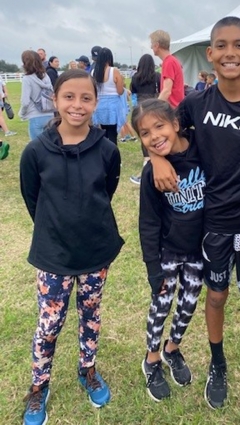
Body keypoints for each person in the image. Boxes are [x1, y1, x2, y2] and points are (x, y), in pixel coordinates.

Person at [151, 16, 240, 417]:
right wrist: (156, 156)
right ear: (210, 54)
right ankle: (218, 364)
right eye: (222, 46)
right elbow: (155, 126)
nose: (230, 53)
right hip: (211, 225)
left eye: (239, 45)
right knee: (216, 296)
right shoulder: (196, 102)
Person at [20, 69, 124, 425]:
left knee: (90, 315)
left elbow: (106, 193)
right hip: (53, 255)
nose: (77, 105)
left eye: (86, 98)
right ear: (56, 100)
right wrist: (56, 229)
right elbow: (32, 199)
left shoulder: (107, 150)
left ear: (96, 102)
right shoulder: (35, 152)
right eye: (69, 97)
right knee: (48, 326)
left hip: (96, 251)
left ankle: (88, 370)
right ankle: (38, 387)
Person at [131, 98, 204, 402]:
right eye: (145, 134)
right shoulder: (153, 174)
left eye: (159, 126)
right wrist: (152, 268)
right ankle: (151, 360)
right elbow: (147, 223)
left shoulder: (203, 150)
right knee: (161, 306)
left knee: (187, 306)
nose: (154, 136)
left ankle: (172, 349)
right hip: (168, 252)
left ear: (176, 124)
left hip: (199, 251)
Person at [129, 53, 161, 184]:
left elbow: (133, 93)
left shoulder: (135, 77)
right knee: (156, 132)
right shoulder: (157, 76)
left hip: (141, 107)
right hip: (154, 104)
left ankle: (146, 159)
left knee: (144, 134)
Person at [92, 47, 125, 144]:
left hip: (99, 105)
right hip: (112, 106)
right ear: (109, 58)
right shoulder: (113, 71)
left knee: (103, 134)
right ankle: (113, 155)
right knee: (112, 135)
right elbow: (120, 91)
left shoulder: (94, 72)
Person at [19, 50, 54, 140]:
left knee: (37, 148)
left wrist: (22, 114)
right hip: (50, 114)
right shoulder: (45, 76)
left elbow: (25, 101)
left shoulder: (27, 79)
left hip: (35, 115)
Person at [149, 30, 184, 108]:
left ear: (157, 45)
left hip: (172, 110)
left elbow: (167, 91)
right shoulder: (173, 60)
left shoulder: (169, 62)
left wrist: (154, 108)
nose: (151, 47)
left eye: (152, 44)